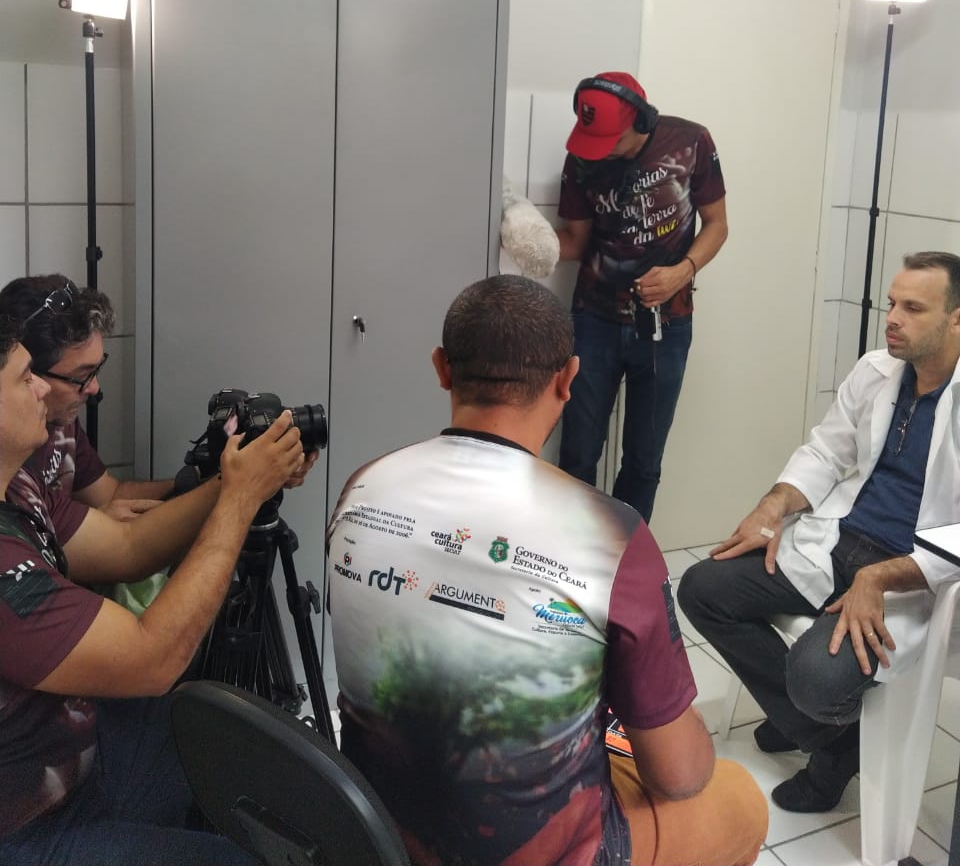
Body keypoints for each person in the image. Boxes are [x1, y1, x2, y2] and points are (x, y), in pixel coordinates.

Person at [326, 274, 766, 866]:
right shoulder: (612, 533)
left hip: (376, 832)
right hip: (543, 855)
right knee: (738, 798)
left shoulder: (361, 487)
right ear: (567, 379)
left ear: (442, 368)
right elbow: (678, 776)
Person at [0, 313, 305, 865]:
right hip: (29, 827)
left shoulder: (16, 491)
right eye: (25, 378)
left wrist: (240, 477)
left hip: (77, 756)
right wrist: (240, 499)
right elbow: (153, 657)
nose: (42, 388)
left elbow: (129, 546)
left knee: (223, 741)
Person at [678, 251, 960, 815]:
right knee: (702, 588)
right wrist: (772, 506)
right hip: (836, 543)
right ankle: (829, 740)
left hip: (910, 578)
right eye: (891, 304)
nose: (892, 319)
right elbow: (826, 452)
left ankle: (809, 727)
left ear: (956, 319)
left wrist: (878, 578)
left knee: (815, 679)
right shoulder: (878, 371)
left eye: (912, 308)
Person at [555, 71, 727, 520]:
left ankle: (627, 555)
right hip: (593, 321)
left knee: (644, 462)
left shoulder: (691, 143)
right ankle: (571, 552)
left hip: (665, 324)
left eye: (610, 139)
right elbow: (575, 242)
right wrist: (524, 240)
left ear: (642, 121)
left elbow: (717, 225)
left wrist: (682, 273)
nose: (599, 148)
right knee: (577, 454)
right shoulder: (582, 157)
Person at [0, 276, 174, 520]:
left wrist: (202, 480)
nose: (93, 388)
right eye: (81, 375)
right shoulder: (11, 453)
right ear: (30, 372)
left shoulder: (60, 418)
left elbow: (110, 496)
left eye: (95, 370)